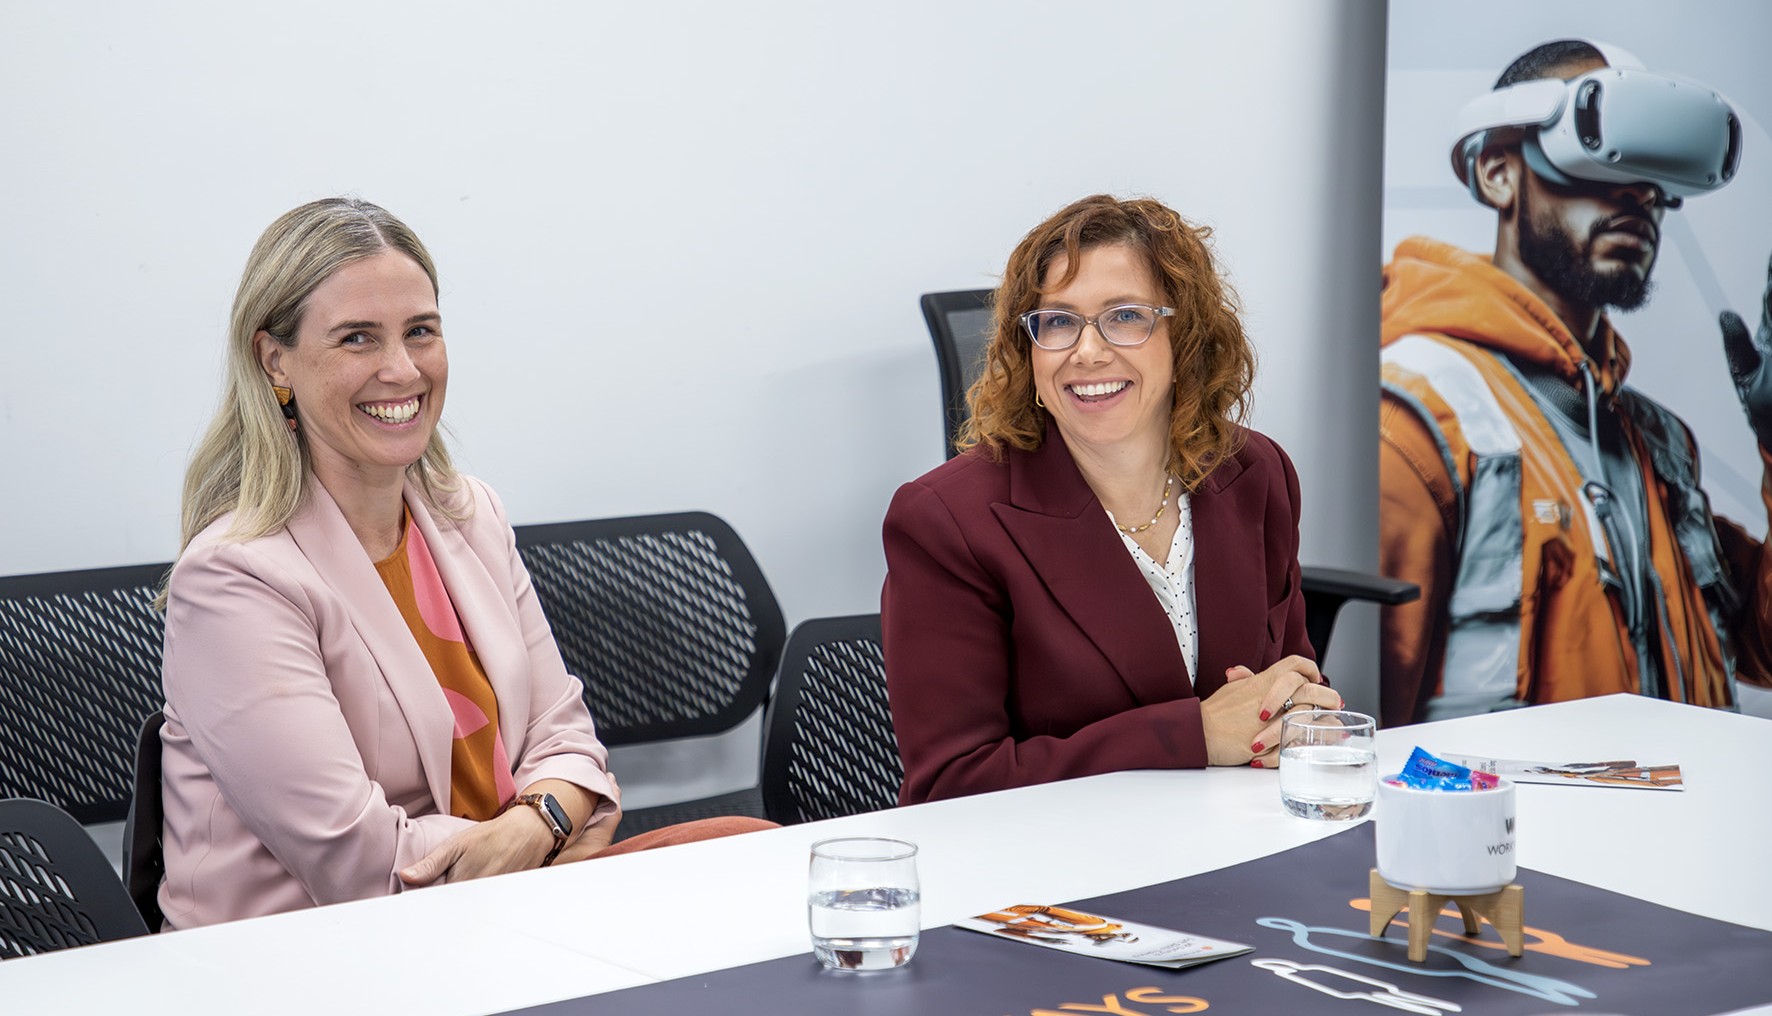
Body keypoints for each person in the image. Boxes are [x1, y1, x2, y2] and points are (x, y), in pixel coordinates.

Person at [158, 198, 769, 929]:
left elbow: (566, 738)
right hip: (311, 954)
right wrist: (549, 832)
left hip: (498, 913)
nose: (401, 368)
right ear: (275, 360)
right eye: (357, 338)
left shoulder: (467, 513)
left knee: (753, 855)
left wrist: (538, 821)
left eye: (421, 331)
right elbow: (360, 859)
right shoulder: (236, 579)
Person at [881, 194, 1337, 806]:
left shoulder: (1255, 473)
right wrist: (1193, 736)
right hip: (1049, 878)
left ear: (1186, 335)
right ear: (1028, 350)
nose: (1088, 351)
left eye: (1125, 316)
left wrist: (1304, 717)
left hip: (1234, 845)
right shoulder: (946, 521)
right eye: (1059, 321)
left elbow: (1290, 683)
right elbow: (951, 784)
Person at [1380, 39, 1772, 726]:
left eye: (1656, 177)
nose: (1639, 198)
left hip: (1687, 832)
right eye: (1600, 159)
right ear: (1499, 172)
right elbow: (1347, 728)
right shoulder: (1417, 416)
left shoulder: (1656, 444)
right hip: (1511, 837)